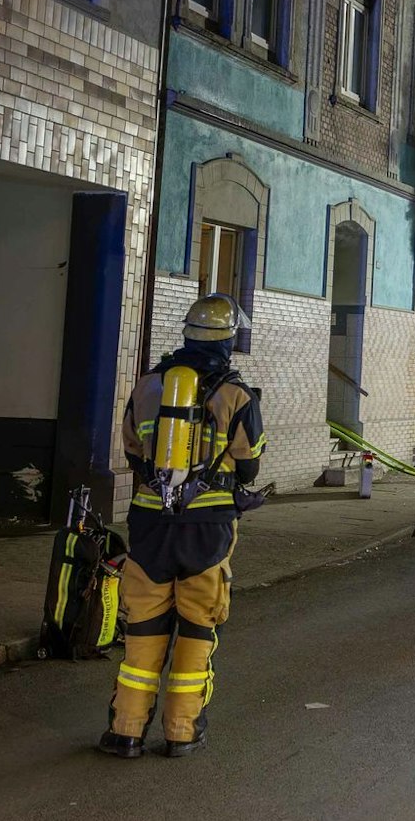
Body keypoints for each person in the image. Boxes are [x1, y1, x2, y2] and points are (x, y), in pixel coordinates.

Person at [99, 293, 264, 760]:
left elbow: (132, 450)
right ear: (229, 340)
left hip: (151, 525)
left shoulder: (150, 387)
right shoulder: (236, 394)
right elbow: (249, 465)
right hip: (208, 531)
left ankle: (126, 729)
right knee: (196, 629)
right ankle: (181, 730)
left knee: (145, 627)